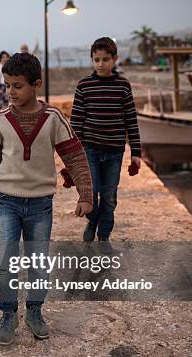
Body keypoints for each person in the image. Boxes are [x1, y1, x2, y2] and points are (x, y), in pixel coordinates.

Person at [0, 53, 93, 346]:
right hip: (6, 201)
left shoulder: (54, 119)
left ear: (36, 84)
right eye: (7, 86)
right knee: (3, 263)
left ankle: (34, 311)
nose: (11, 92)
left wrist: (85, 195)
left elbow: (76, 158)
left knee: (38, 263)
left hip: (41, 204)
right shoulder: (0, 120)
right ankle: (8, 313)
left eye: (17, 86)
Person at [70, 37, 141, 248]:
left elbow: (131, 119)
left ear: (115, 59)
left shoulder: (123, 86)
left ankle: (104, 235)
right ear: (92, 60)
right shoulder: (84, 86)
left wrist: (136, 151)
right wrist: (75, 153)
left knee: (109, 196)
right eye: (96, 59)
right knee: (91, 193)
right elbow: (76, 122)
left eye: (105, 59)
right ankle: (92, 222)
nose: (101, 64)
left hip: (114, 151)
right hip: (90, 150)